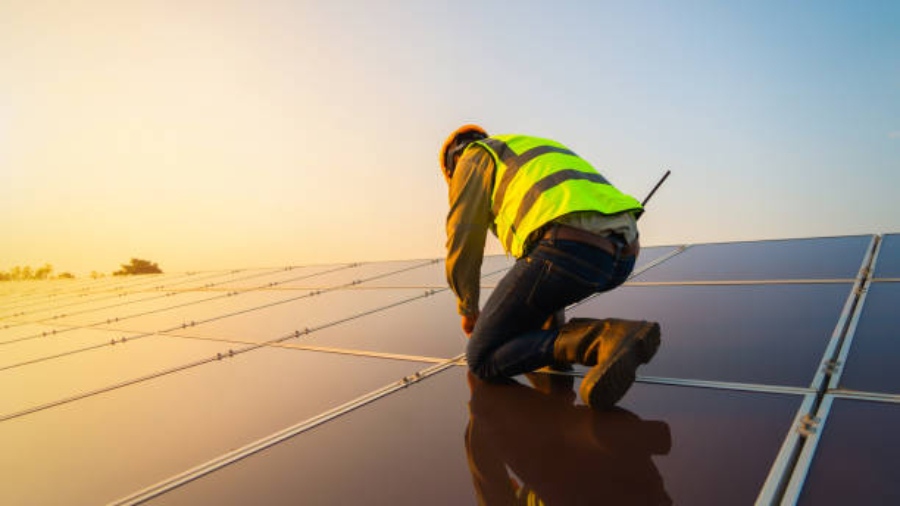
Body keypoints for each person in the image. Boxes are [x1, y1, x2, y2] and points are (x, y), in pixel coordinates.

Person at [441, 124, 661, 409]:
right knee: (538, 303)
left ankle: (605, 338)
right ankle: (562, 368)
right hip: (622, 255)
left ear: (451, 164)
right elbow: (544, 284)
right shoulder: (528, 149)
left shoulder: (471, 157)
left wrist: (468, 309)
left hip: (570, 246)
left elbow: (463, 236)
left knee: (482, 357)